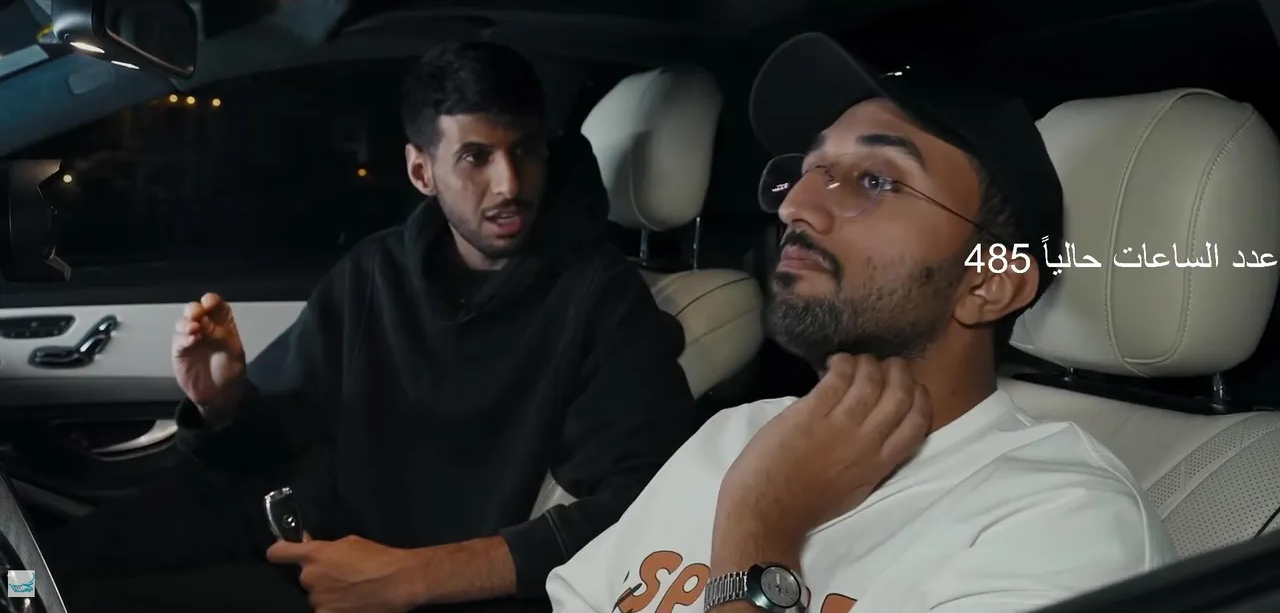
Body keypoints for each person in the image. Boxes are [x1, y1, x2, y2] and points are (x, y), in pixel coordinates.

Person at [45, 41, 698, 613]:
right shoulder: (378, 271)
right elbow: (283, 430)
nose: (508, 183)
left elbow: (647, 503)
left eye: (525, 150)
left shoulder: (603, 301)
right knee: (44, 574)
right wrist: (224, 403)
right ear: (422, 171)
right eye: (476, 157)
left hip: (409, 588)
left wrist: (412, 577)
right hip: (297, 529)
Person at [544, 33, 1176, 613]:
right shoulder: (736, 434)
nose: (796, 206)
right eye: (809, 171)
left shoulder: (1064, 523)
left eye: (875, 180)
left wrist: (759, 525)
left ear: (988, 281)